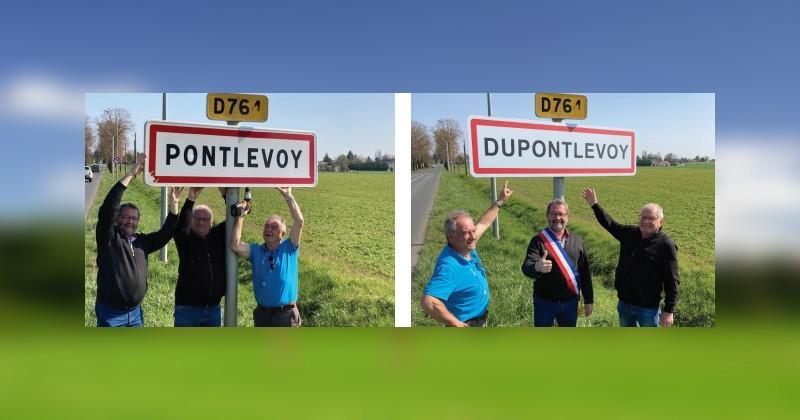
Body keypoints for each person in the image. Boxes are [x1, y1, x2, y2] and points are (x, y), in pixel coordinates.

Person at [94, 156, 180, 327]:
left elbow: (167, 233)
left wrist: (174, 206)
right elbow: (108, 208)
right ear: (117, 219)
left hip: (135, 314)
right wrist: (131, 174)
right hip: (111, 315)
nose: (130, 221)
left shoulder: (142, 242)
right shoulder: (109, 238)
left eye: (134, 218)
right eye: (125, 217)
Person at [581, 188, 679, 327]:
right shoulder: (629, 233)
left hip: (648, 309)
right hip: (624, 304)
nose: (645, 221)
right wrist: (595, 205)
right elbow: (610, 224)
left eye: (651, 218)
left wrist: (669, 310)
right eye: (643, 217)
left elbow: (672, 281)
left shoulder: (666, 245)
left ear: (661, 222)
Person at [420, 181, 513, 327]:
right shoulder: (449, 266)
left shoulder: (464, 246)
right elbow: (428, 301)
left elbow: (484, 223)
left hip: (480, 319)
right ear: (451, 236)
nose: (473, 236)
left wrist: (500, 201)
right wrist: (456, 324)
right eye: (466, 233)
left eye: (473, 231)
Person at [230, 187, 304, 327]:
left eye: (274, 227)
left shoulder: (289, 248)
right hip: (262, 315)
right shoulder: (256, 251)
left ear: (282, 234)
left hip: (286, 316)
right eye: (266, 226)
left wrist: (288, 196)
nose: (268, 229)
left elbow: (299, 222)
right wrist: (240, 218)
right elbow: (235, 246)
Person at [521, 199, 593, 327]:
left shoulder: (577, 240)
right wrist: (537, 267)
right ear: (547, 216)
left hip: (570, 303)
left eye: (561, 214)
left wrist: (589, 299)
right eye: (553, 214)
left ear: (567, 217)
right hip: (544, 303)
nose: (557, 217)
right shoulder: (538, 241)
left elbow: (584, 272)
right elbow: (526, 267)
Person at [173, 187, 229, 327]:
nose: (201, 222)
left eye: (205, 219)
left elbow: (237, 216)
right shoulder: (185, 239)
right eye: (197, 218)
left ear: (211, 221)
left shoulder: (217, 235)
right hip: (187, 310)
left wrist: (226, 195)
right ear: (191, 220)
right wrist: (191, 198)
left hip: (213, 309)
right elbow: (180, 227)